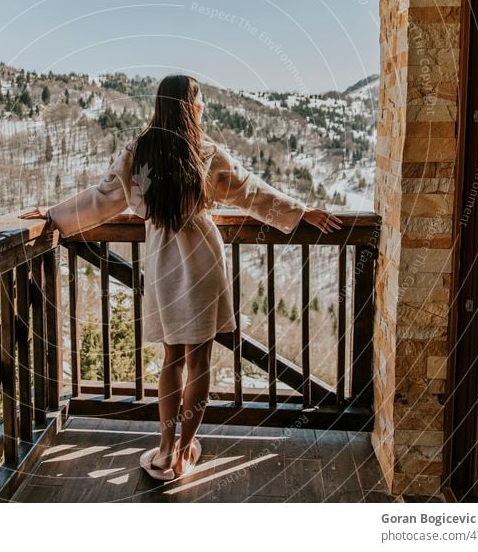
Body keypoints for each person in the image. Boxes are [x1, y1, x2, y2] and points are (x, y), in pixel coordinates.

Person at [19, 74, 342, 481]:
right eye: (201, 100)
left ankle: (166, 448)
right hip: (204, 260)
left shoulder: (138, 152)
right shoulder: (206, 152)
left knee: (172, 357)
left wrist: (53, 216)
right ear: (190, 106)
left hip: (163, 263)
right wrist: (301, 212)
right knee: (200, 360)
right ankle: (187, 449)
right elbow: (253, 194)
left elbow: (101, 200)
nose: (204, 106)